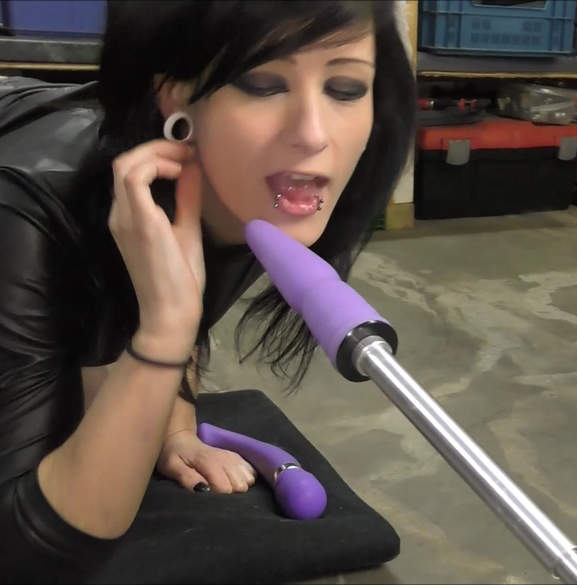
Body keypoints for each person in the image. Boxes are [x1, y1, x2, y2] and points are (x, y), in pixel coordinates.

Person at [0, 0, 416, 582]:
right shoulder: (28, 214)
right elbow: (24, 554)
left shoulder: (256, 187)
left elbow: (124, 314)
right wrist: (165, 329)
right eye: (263, 84)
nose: (313, 134)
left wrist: (172, 424)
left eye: (345, 89)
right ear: (176, 99)